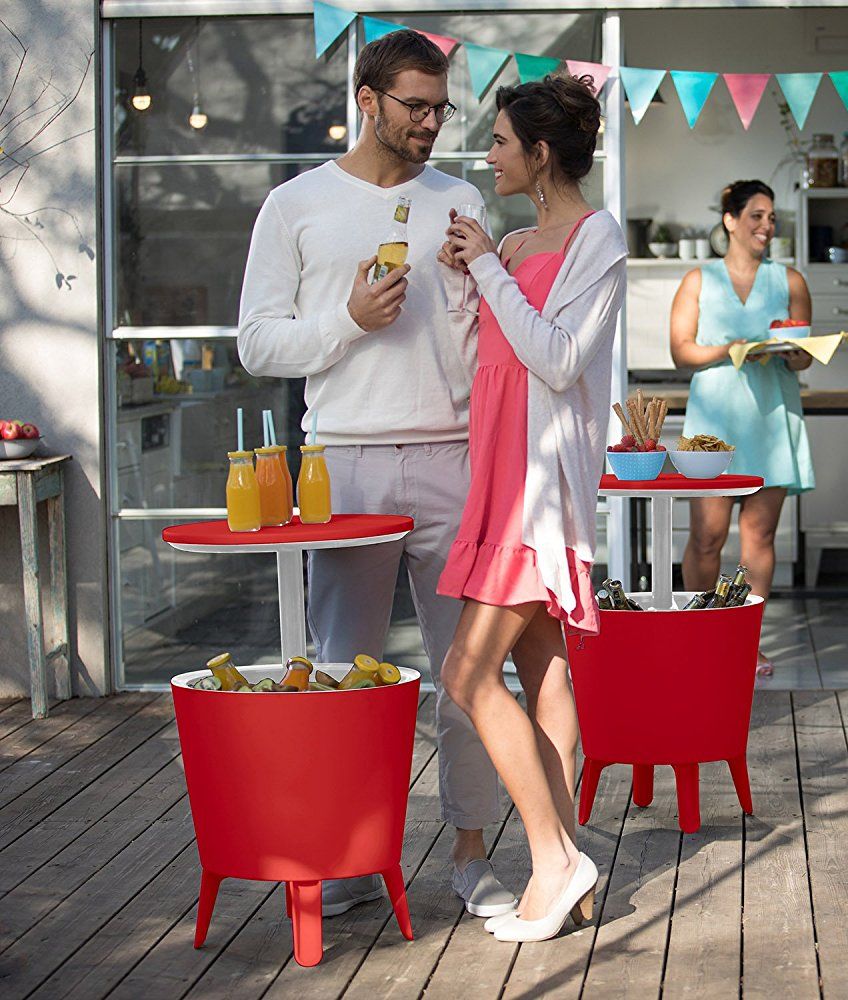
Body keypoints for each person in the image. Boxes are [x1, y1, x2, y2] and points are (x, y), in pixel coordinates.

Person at [238, 29, 516, 920]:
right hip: (344, 466)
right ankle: (349, 852)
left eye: (442, 108)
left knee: (470, 675)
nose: (432, 123)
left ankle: (471, 852)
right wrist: (349, 319)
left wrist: (480, 284)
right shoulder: (296, 204)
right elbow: (257, 343)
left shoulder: (461, 199)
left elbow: (485, 344)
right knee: (342, 678)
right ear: (368, 100)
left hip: (451, 459)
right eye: (415, 107)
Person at [437, 72, 626, 943]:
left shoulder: (599, 239)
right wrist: (469, 274)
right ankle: (574, 869)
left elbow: (555, 359)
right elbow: (489, 355)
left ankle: (554, 861)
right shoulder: (511, 243)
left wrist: (485, 266)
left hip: (537, 489)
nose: (489, 154)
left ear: (542, 154)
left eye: (503, 142)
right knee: (543, 672)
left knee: (467, 676)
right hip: (495, 481)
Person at [668, 180, 814, 676]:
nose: (766, 226)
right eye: (756, 216)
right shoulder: (698, 280)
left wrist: (792, 352)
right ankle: (699, 633)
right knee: (707, 537)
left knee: (760, 537)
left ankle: (745, 642)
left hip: (771, 418)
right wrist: (729, 348)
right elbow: (680, 351)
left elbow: (801, 360)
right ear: (729, 220)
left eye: (771, 217)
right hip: (714, 423)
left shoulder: (790, 280)